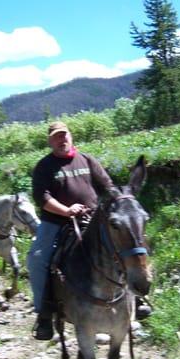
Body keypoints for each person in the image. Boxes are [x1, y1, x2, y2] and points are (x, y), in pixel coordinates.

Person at [27, 121, 151, 341]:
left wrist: (119, 200)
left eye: (64, 135)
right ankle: (45, 313)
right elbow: (42, 198)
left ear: (71, 137)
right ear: (50, 141)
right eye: (56, 136)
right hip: (56, 222)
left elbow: (107, 186)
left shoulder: (87, 160)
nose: (61, 139)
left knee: (121, 245)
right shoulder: (44, 166)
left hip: (91, 218)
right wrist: (66, 210)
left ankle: (136, 297)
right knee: (37, 258)